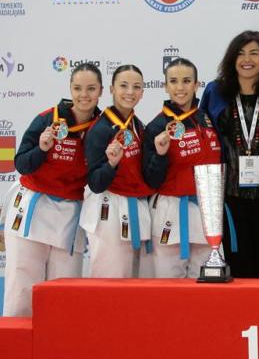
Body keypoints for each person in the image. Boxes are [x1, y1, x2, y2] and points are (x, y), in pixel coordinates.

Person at [2, 63, 102, 316]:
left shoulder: (101, 128)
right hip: (33, 209)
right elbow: (22, 164)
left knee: (64, 293)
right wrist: (42, 148)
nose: (84, 95)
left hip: (69, 215)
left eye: (91, 88)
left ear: (101, 91)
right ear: (70, 89)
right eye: (78, 88)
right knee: (21, 288)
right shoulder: (48, 118)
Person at [199, 31, 259, 278]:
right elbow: (203, 139)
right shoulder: (215, 92)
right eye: (240, 53)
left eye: (254, 53)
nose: (246, 59)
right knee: (235, 270)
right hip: (229, 198)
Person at [143, 58, 221, 278]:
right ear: (165, 86)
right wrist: (160, 154)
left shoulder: (206, 119)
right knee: (169, 287)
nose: (180, 87)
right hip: (170, 211)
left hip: (206, 211)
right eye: (174, 81)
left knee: (205, 285)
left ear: (197, 85)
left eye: (187, 81)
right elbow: (151, 180)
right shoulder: (157, 126)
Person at [79, 64, 154, 278]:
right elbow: (95, 182)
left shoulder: (139, 127)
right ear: (111, 89)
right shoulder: (99, 129)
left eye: (136, 86)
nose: (130, 92)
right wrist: (111, 164)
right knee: (109, 281)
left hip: (137, 208)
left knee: (135, 284)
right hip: (108, 210)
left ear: (142, 92)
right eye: (123, 85)